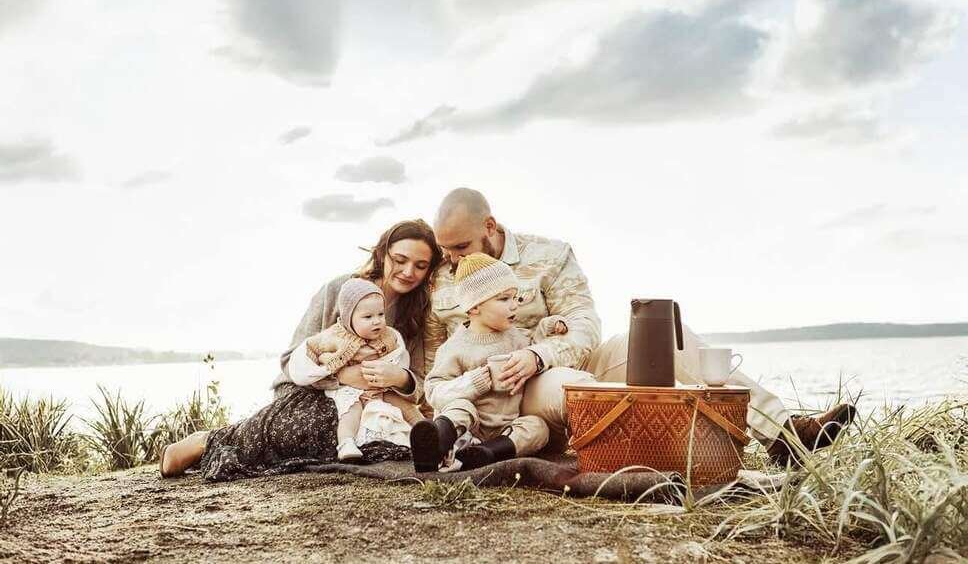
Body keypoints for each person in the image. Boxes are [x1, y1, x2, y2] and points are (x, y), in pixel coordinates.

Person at [425, 188, 856, 466]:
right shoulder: (445, 277)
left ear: (489, 226)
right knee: (568, 384)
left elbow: (584, 326)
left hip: (559, 358)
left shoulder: (550, 255)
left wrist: (540, 354)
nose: (453, 259)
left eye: (460, 247)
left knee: (665, 335)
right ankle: (663, 452)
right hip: (507, 394)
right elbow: (436, 359)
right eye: (446, 250)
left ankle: (782, 433)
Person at [159, 219, 444, 480]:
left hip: (375, 401)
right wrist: (342, 377)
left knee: (371, 438)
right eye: (400, 260)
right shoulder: (340, 290)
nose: (408, 272)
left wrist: (397, 378)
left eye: (420, 266)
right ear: (383, 253)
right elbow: (291, 360)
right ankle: (205, 441)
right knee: (314, 427)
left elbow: (417, 381)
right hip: (311, 391)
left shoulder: (418, 313)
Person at [412, 253, 567, 472]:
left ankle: (487, 453)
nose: (514, 306)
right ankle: (437, 442)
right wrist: (472, 383)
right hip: (467, 427)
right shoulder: (455, 347)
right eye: (504, 299)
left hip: (505, 427)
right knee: (461, 407)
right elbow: (434, 391)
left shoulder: (515, 336)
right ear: (474, 307)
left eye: (515, 298)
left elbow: (533, 345)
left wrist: (548, 327)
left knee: (537, 426)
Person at [288, 278, 421, 462]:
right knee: (351, 410)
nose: (377, 322)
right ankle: (346, 443)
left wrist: (393, 371)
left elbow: (399, 355)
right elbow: (309, 351)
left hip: (381, 387)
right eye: (368, 317)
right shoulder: (333, 336)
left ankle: (429, 432)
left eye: (381, 314)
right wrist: (331, 369)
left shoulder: (389, 335)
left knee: (405, 407)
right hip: (350, 389)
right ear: (348, 317)